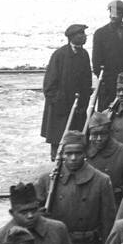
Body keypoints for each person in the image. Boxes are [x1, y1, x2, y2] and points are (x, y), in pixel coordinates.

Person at [41, 23, 93, 159]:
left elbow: (87, 81)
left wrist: (84, 101)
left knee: (78, 140)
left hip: (79, 108)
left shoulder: (84, 54)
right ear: (71, 37)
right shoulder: (60, 55)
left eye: (84, 34)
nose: (84, 37)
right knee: (59, 141)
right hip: (61, 108)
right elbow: (49, 85)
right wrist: (58, 101)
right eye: (80, 34)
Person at [91, 0, 123, 110]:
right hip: (107, 84)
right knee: (106, 115)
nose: (114, 17)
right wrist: (104, 81)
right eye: (112, 14)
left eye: (118, 14)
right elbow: (96, 62)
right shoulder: (100, 34)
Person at [86, 111, 123, 201]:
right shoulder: (83, 152)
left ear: (110, 133)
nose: (99, 139)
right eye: (95, 134)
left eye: (103, 134)